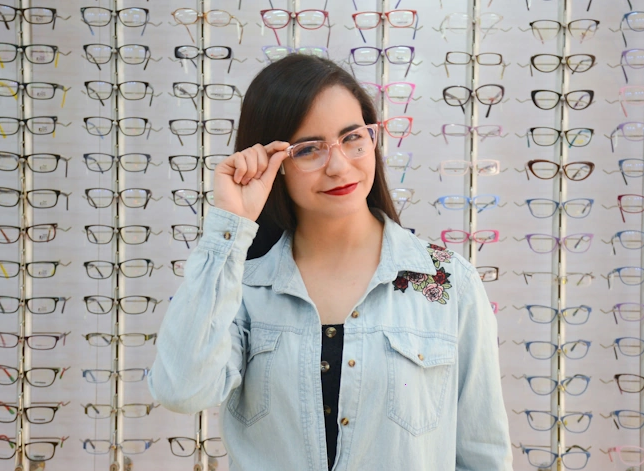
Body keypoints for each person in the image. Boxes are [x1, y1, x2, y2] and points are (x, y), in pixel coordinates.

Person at [148, 54, 512, 470]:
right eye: (309, 149)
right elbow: (181, 390)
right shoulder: (245, 288)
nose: (340, 166)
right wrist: (231, 224)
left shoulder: (446, 283)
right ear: (273, 163)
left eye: (353, 137)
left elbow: (483, 454)